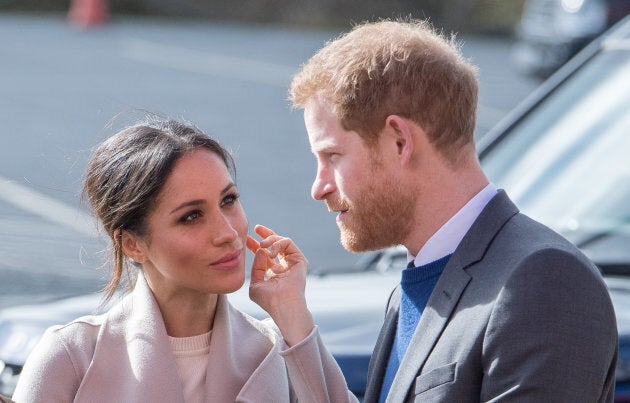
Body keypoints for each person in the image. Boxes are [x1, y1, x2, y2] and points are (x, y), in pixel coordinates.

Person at [288, 18, 618, 402]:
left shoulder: (544, 280)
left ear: (399, 141)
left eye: (333, 156)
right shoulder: (414, 282)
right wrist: (289, 315)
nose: (319, 187)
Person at [12, 116, 355, 402]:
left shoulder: (278, 352)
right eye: (191, 216)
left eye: (229, 200)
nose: (227, 232)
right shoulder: (72, 357)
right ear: (132, 245)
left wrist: (292, 314)